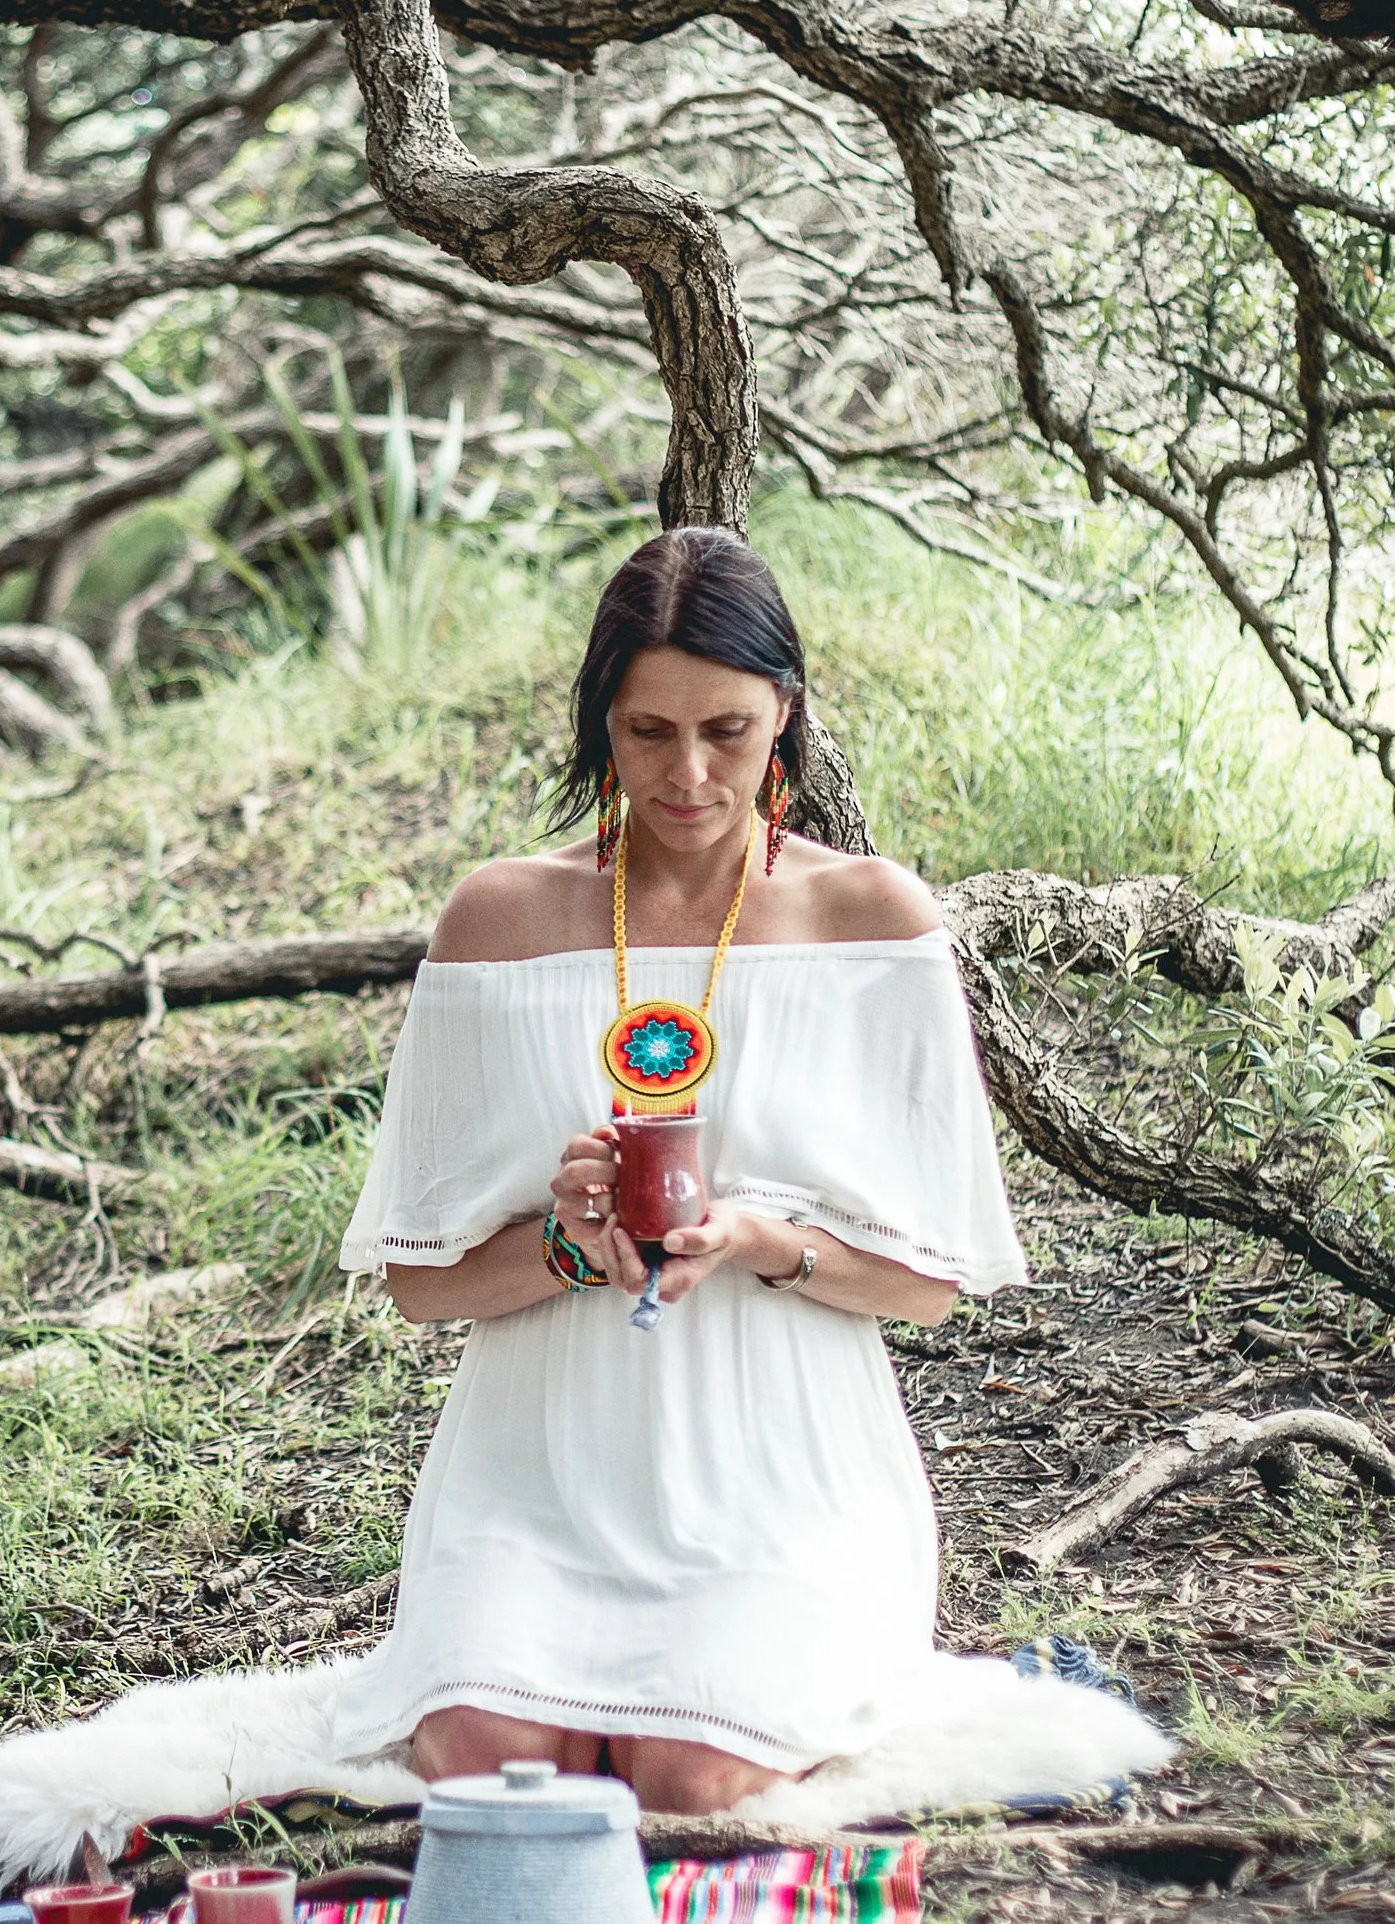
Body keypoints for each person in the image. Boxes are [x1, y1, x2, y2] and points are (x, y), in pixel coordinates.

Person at [333, 525, 1027, 1812]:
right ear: (601, 721)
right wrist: (562, 1241)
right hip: (539, 1468)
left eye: (728, 730)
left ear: (787, 718)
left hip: (780, 1471)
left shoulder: (872, 922)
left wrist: (763, 1243)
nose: (689, 773)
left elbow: (927, 1285)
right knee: (487, 1769)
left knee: (694, 1774)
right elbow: (423, 1289)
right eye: (649, 732)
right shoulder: (500, 922)